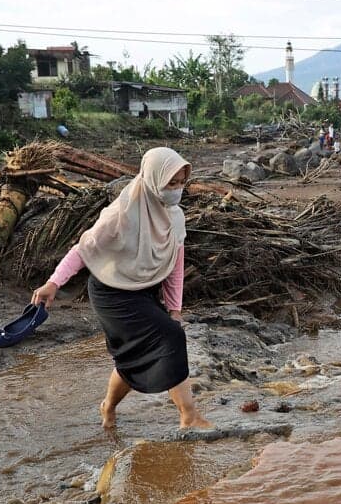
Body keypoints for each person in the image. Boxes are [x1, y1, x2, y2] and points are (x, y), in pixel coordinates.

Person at [31, 147, 211, 431]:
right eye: (170, 184)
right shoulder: (121, 214)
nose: (176, 191)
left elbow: (176, 266)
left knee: (133, 356)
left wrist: (175, 309)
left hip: (144, 291)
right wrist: (54, 283)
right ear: (153, 180)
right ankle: (189, 416)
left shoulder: (175, 217)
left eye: (180, 183)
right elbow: (83, 250)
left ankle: (109, 406)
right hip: (111, 293)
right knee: (171, 336)